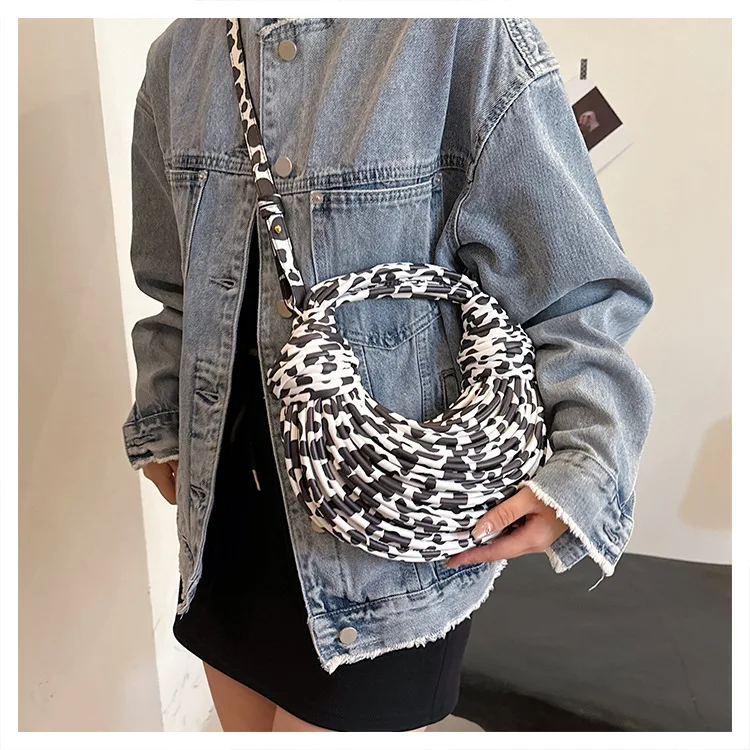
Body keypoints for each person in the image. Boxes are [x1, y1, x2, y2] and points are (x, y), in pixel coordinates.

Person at [123, 18, 655, 732]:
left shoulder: (460, 34)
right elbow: (173, 288)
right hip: (226, 520)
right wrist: (161, 423)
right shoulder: (180, 55)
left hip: (388, 542)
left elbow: (576, 292)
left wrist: (585, 466)